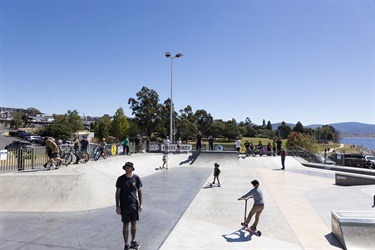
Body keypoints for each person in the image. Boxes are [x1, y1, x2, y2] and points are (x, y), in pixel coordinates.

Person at [115, 162, 143, 250]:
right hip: (124, 206)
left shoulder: (136, 178)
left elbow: (139, 191)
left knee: (134, 224)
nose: (127, 169)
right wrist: (117, 206)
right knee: (125, 225)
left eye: (128, 168)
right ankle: (126, 244)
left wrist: (141, 204)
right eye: (125, 168)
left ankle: (133, 241)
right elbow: (117, 193)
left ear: (132, 168)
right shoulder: (120, 179)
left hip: (134, 205)